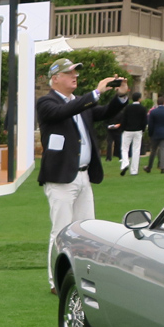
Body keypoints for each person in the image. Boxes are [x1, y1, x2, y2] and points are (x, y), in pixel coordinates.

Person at [37, 57, 128, 292]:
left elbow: (105, 112)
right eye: (69, 73)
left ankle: (81, 277)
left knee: (87, 231)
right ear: (55, 78)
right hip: (60, 178)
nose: (74, 76)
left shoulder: (79, 103)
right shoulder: (46, 102)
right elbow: (63, 111)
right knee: (61, 230)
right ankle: (56, 281)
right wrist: (95, 93)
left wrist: (120, 96)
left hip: (83, 176)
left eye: (75, 72)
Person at [144, 98, 164, 173]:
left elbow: (151, 124)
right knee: (163, 150)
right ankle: (162, 167)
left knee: (153, 150)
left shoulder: (153, 112)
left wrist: (150, 133)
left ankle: (149, 166)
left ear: (157, 103)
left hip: (155, 133)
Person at [118, 92, 147, 176]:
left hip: (127, 130)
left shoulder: (128, 108)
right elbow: (144, 121)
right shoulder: (142, 108)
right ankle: (134, 170)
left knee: (124, 148)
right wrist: (143, 129)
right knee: (136, 150)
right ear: (139, 99)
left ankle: (125, 163)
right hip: (138, 131)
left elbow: (123, 119)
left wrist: (122, 129)